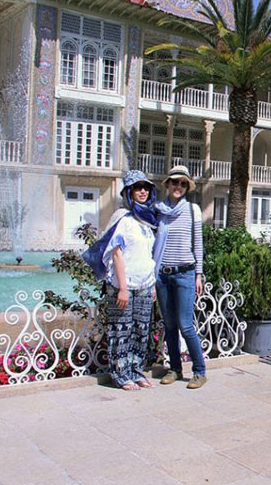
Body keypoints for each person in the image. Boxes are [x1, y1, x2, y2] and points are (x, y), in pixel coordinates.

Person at [102, 170, 158, 391]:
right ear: (129, 192)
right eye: (137, 187)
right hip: (123, 285)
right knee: (121, 330)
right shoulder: (122, 219)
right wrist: (123, 289)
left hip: (145, 284)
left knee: (141, 331)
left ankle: (136, 370)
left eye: (145, 187)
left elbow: (148, 255)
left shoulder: (147, 220)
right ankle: (121, 374)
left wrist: (151, 284)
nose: (142, 191)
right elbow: (116, 254)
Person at [155, 166, 207, 389]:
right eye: (175, 182)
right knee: (169, 325)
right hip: (162, 275)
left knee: (186, 325)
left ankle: (199, 371)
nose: (179, 187)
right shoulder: (158, 210)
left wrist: (198, 274)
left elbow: (198, 244)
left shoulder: (193, 210)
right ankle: (175, 368)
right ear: (167, 184)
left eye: (183, 184)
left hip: (185, 273)